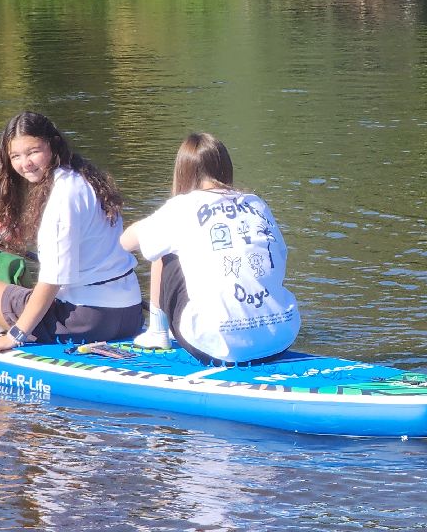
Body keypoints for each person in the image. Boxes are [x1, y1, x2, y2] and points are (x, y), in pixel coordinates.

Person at [0, 111, 144, 363]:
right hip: (130, 315)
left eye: (33, 151)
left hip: (85, 321)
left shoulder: (62, 197)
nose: (25, 163)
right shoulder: (87, 178)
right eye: (16, 156)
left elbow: (52, 280)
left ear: (52, 146)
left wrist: (15, 336)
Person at [120, 133, 300, 364]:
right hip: (282, 336)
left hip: (219, 345)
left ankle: (157, 333)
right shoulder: (257, 203)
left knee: (162, 250)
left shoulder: (182, 206)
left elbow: (126, 242)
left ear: (184, 172)